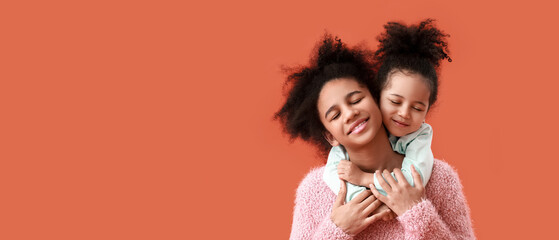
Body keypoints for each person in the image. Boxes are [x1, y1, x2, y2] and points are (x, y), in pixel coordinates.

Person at [275, 20, 474, 239]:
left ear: (376, 98)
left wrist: (416, 211)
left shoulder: (440, 178)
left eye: (356, 99)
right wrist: (337, 229)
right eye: (336, 115)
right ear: (331, 136)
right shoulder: (314, 191)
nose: (350, 113)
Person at [323, 19, 448, 205]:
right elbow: (333, 173)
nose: (404, 113)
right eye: (395, 102)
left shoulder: (420, 136)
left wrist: (364, 179)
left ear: (427, 110)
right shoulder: (359, 130)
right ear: (377, 96)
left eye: (417, 108)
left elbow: (412, 181)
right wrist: (366, 204)